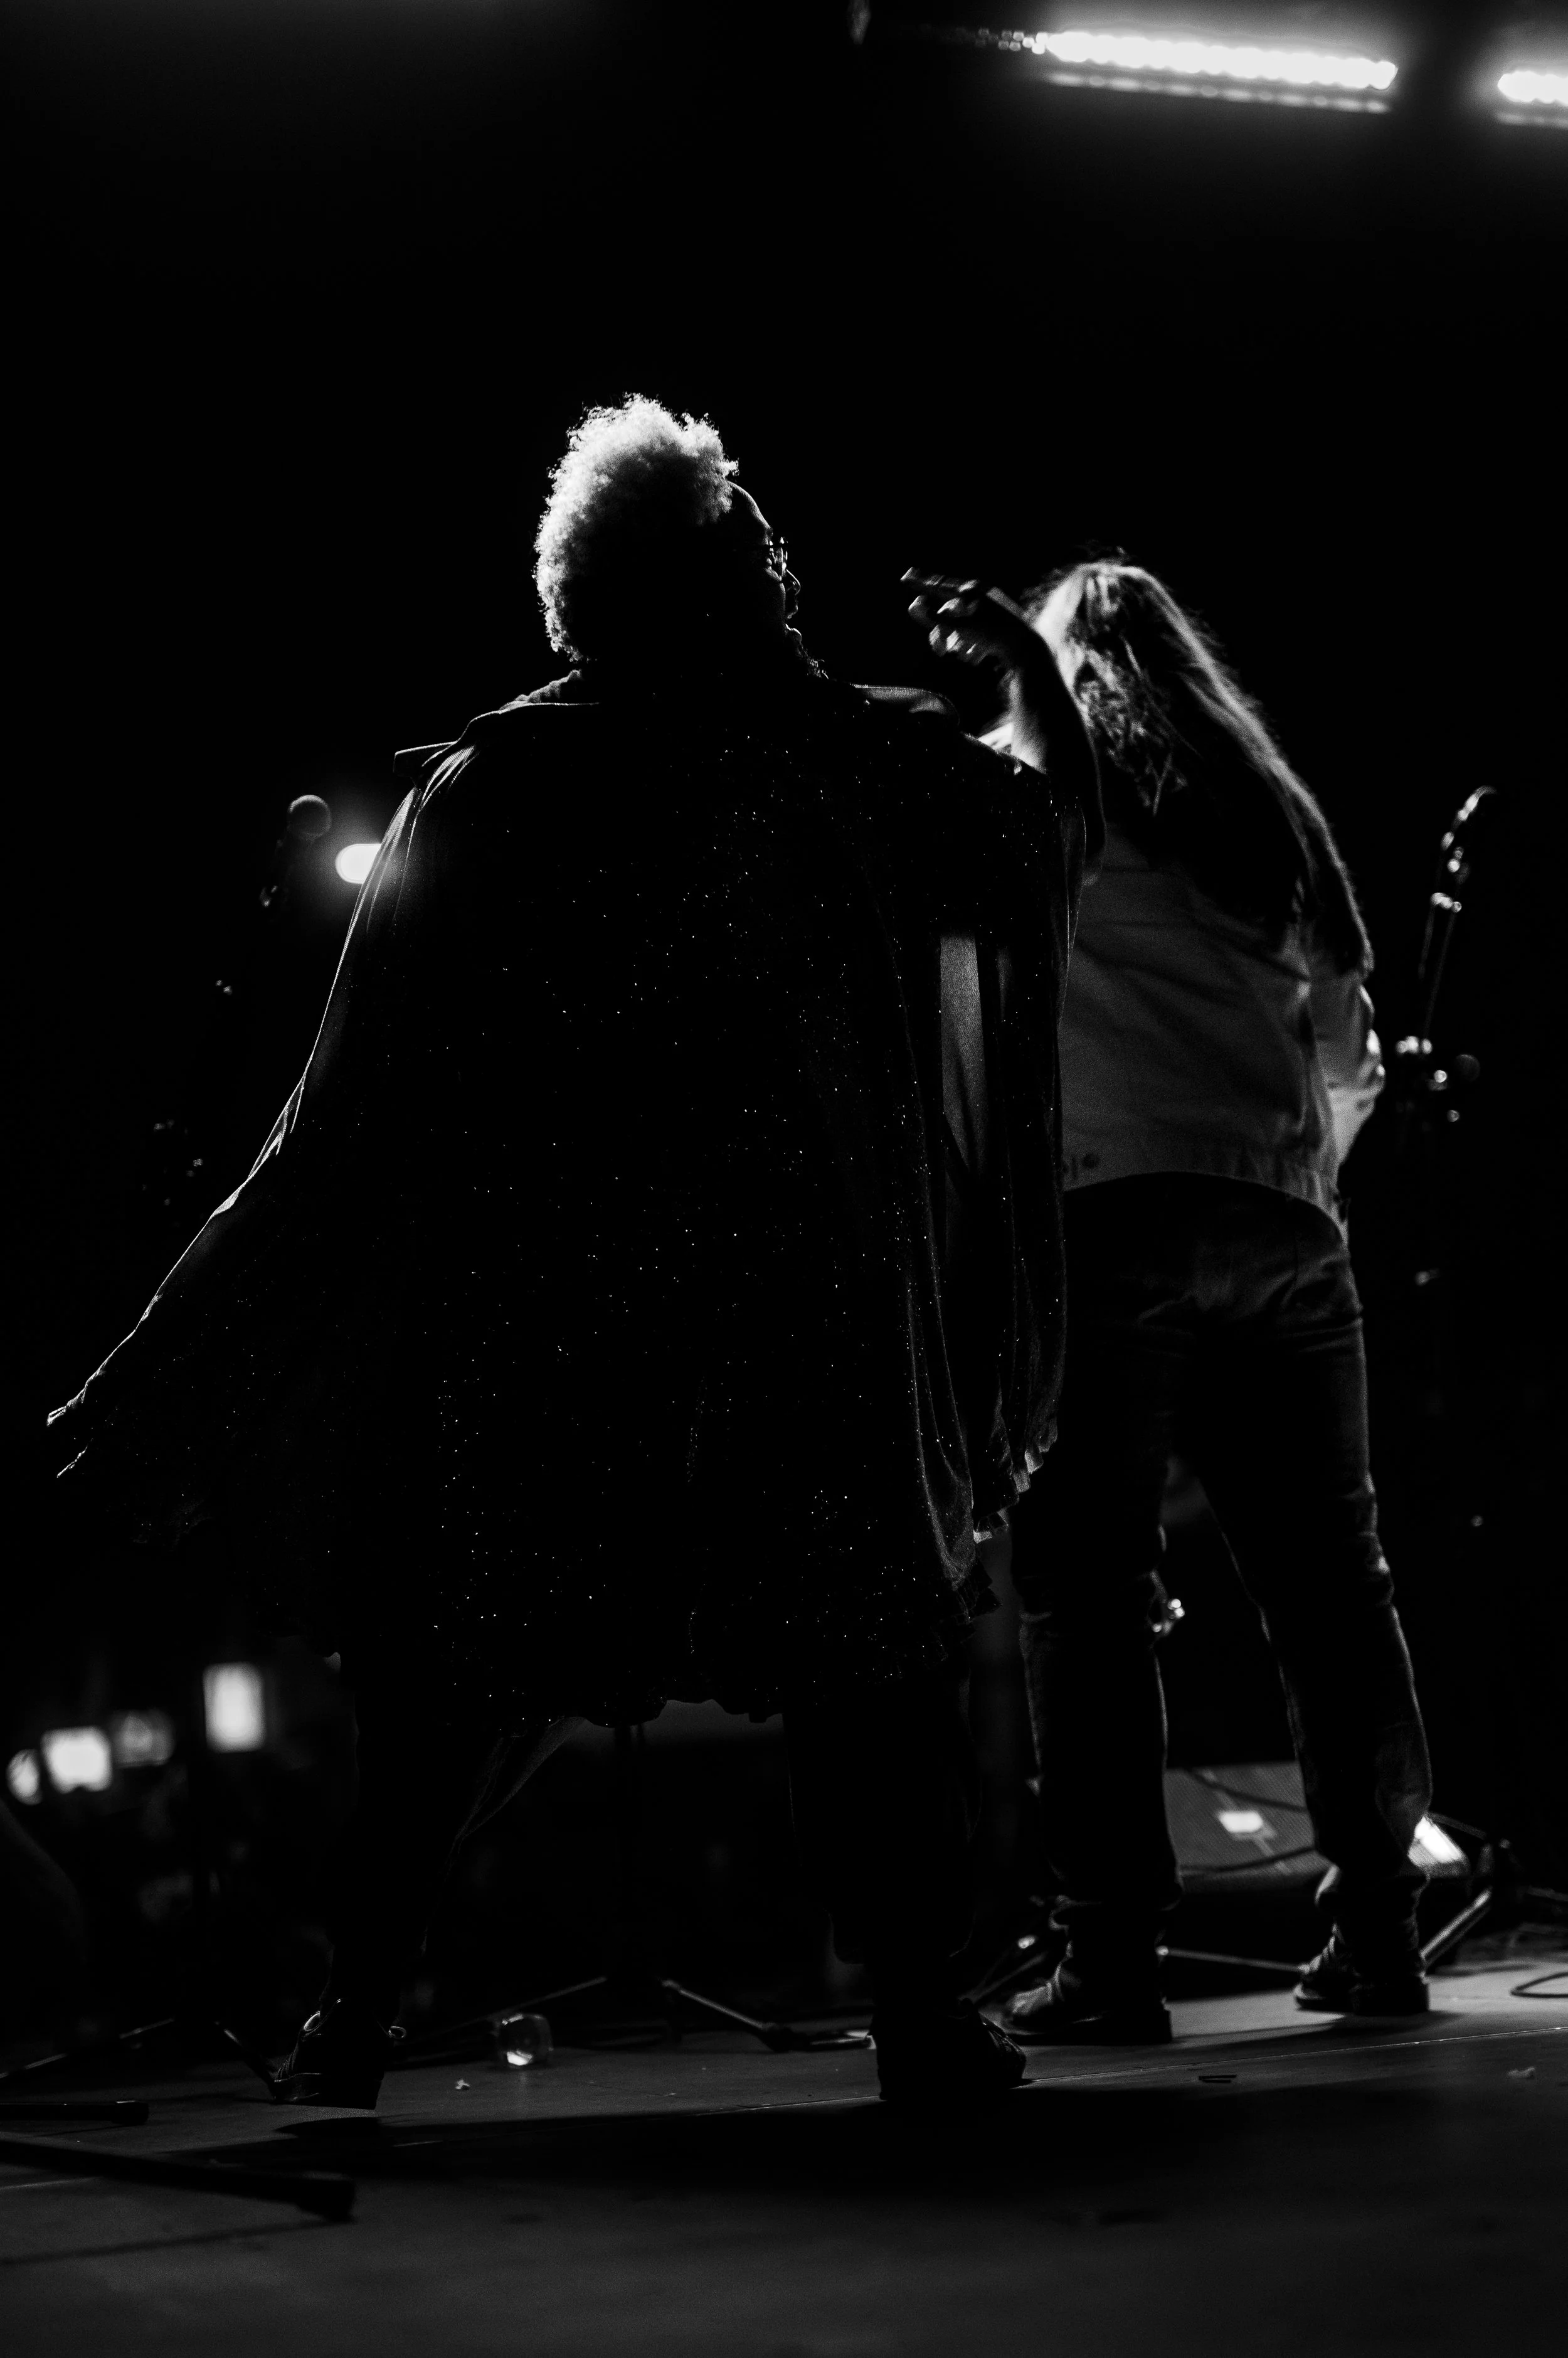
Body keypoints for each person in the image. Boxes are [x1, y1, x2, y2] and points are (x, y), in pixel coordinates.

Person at [50, 399, 1098, 2106]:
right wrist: (1032, 690)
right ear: (703, 577)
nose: (781, 552)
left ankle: (355, 2017)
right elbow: (1045, 837)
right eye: (750, 528)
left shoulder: (505, 782)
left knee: (479, 1663)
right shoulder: (826, 754)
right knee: (854, 1654)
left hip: (558, 1323)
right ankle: (918, 2008)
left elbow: (357, 1102)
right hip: (774, 1316)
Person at [980, 560, 1432, 2045]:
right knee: (1332, 1591)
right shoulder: (1272, 817)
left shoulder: (1032, 794)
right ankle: (1376, 1934)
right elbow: (1348, 1053)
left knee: (1088, 1596)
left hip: (1107, 1216)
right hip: (1286, 1224)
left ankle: (1110, 1961)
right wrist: (1289, 1171)